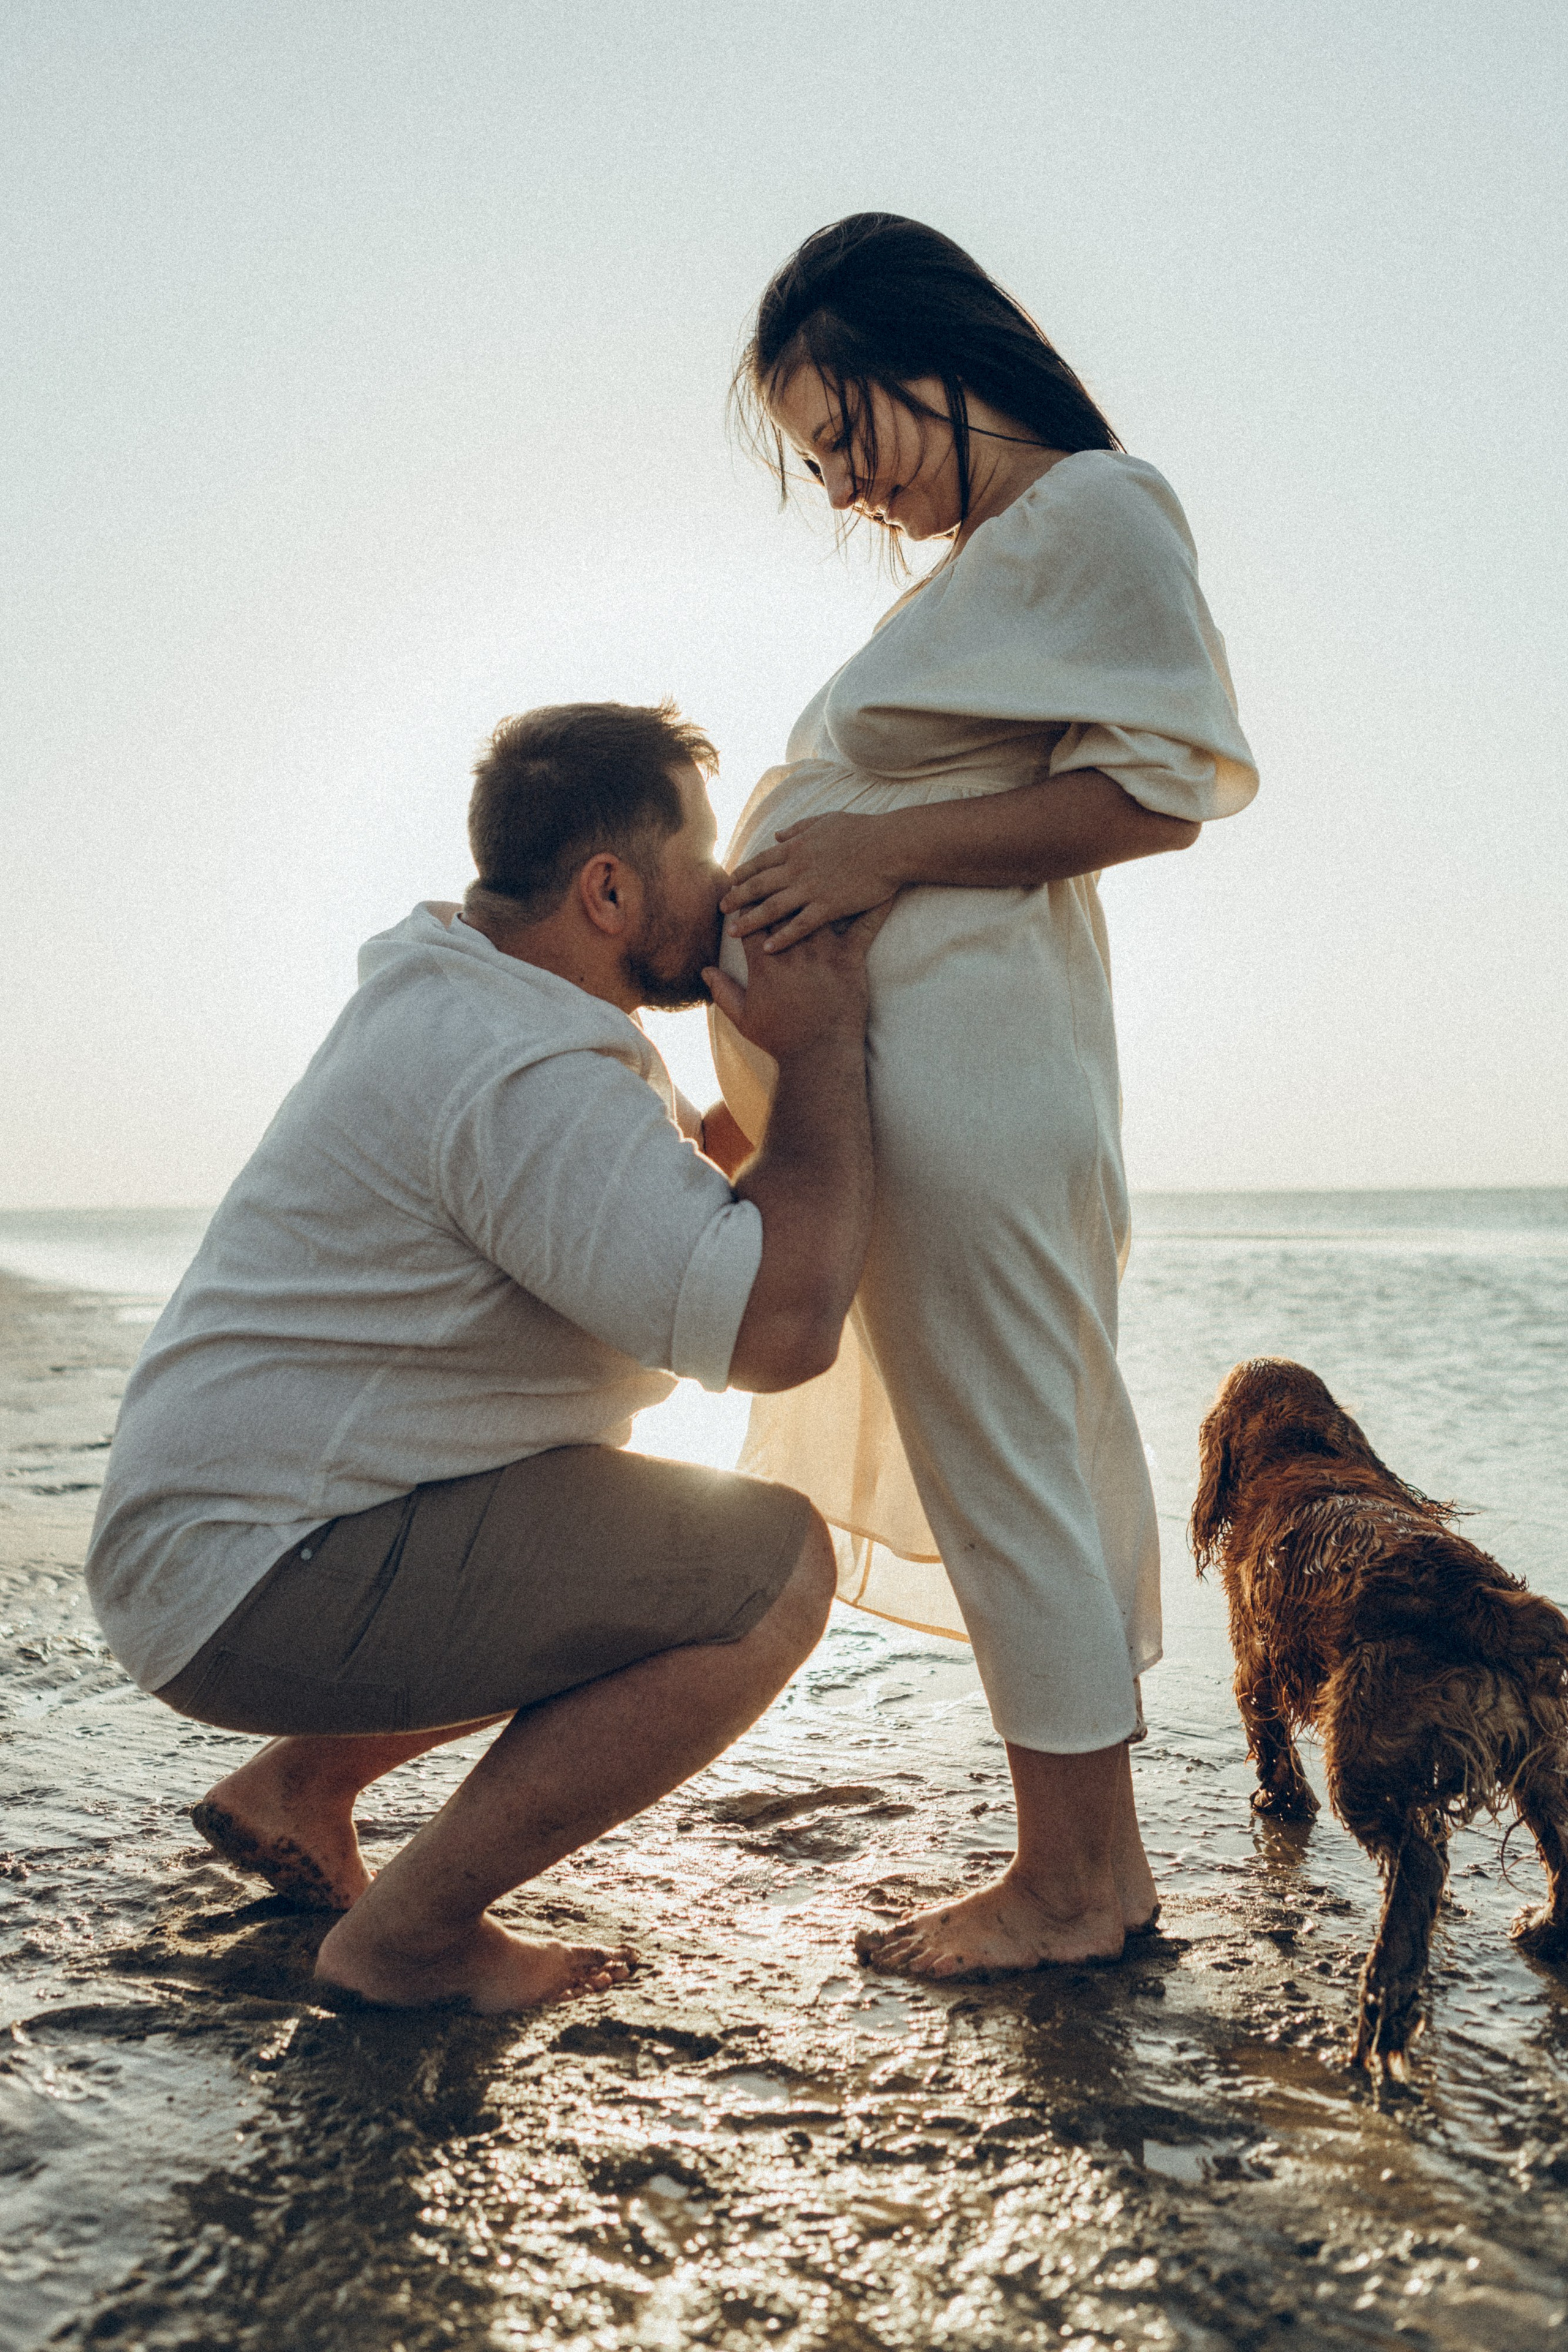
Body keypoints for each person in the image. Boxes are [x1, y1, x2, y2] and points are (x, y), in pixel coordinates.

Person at [85, 699, 884, 2015]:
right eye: (702, 857)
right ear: (610, 888)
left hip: (227, 1543)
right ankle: (410, 1937)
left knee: (612, 1533)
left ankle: (304, 1786)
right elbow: (777, 1333)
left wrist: (781, 1072)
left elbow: (708, 1192)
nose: (728, 888)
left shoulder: (480, 997)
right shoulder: (520, 1072)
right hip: (249, 1575)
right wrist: (823, 1045)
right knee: (767, 1572)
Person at [711, 214, 1260, 1980]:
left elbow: (1158, 790)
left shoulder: (1096, 507)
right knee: (1027, 1445)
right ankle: (1099, 1872)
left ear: (932, 356)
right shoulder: (994, 566)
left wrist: (872, 847)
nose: (850, 488)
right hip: (928, 1058)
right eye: (817, 466)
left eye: (847, 436)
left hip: (968, 1067)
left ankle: (1069, 1885)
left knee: (1010, 1451)